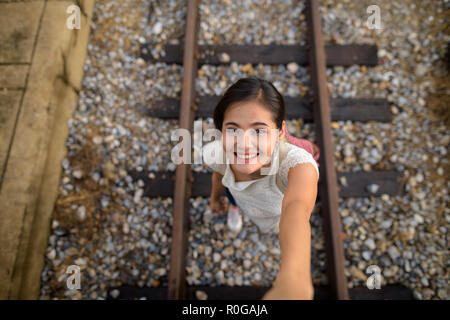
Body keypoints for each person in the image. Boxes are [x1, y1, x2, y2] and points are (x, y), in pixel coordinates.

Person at [203, 77, 320, 300]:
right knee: (233, 196)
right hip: (237, 195)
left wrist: (295, 280)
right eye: (233, 129)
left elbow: (296, 210)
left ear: (280, 132)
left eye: (259, 131)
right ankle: (234, 209)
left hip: (274, 215)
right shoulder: (216, 152)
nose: (244, 144)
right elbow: (219, 175)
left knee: (276, 226)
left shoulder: (296, 164)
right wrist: (214, 198)